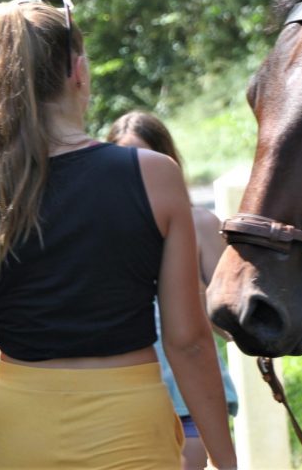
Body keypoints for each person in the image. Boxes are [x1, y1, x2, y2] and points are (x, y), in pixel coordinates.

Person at [0, 0, 237, 469]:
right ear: (78, 71)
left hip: (18, 424)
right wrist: (227, 460)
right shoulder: (154, 175)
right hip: (129, 420)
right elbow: (189, 342)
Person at [107, 110, 239, 470]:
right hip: (122, 398)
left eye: (146, 159)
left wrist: (194, 295)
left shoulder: (200, 224)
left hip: (187, 399)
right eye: (123, 161)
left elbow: (232, 328)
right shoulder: (100, 230)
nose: (134, 173)